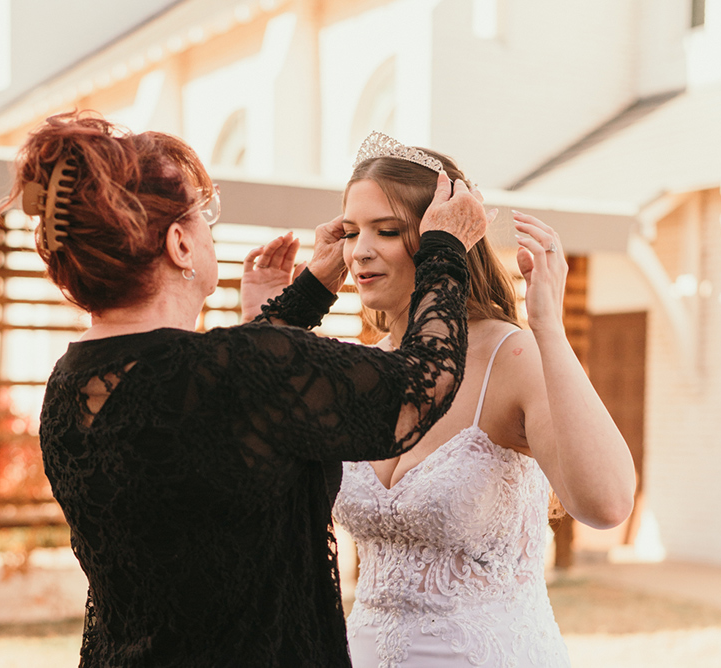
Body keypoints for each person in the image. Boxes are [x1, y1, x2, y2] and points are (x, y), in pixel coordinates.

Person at [0, 112, 492, 668]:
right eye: (202, 214)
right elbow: (422, 382)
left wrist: (305, 293)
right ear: (180, 244)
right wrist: (445, 248)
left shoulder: (70, 386)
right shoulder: (233, 368)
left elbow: (216, 415)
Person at [243, 132, 636, 668]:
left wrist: (549, 327)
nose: (360, 251)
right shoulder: (363, 370)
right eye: (351, 232)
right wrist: (266, 323)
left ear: (444, 238)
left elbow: (606, 504)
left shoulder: (511, 357)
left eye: (387, 230)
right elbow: (252, 481)